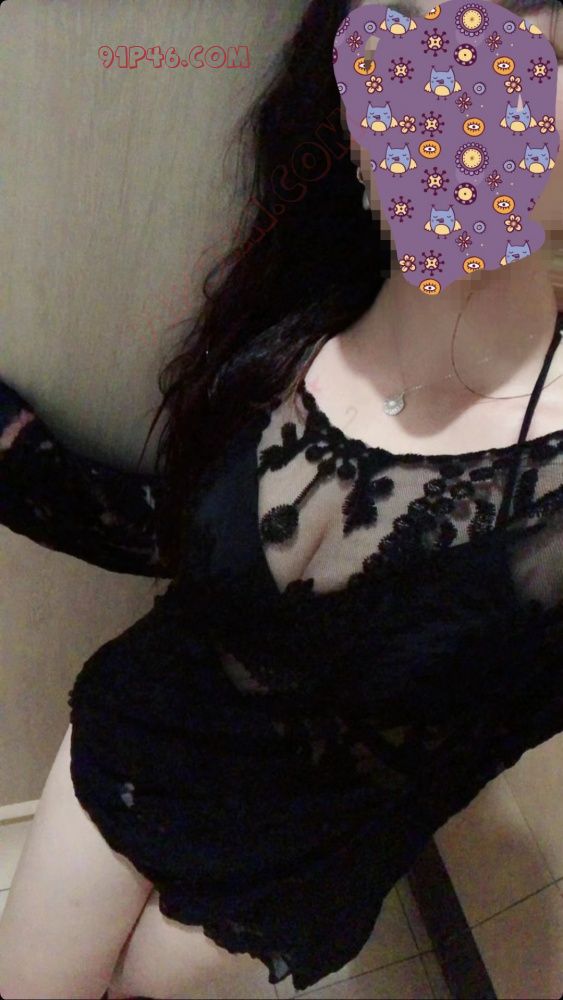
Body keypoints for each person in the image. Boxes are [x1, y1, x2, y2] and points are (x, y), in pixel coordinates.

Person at [1, 0, 563, 997]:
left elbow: (472, 738)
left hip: (293, 862)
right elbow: (184, 539)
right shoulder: (292, 311)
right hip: (145, 734)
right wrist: (17, 451)